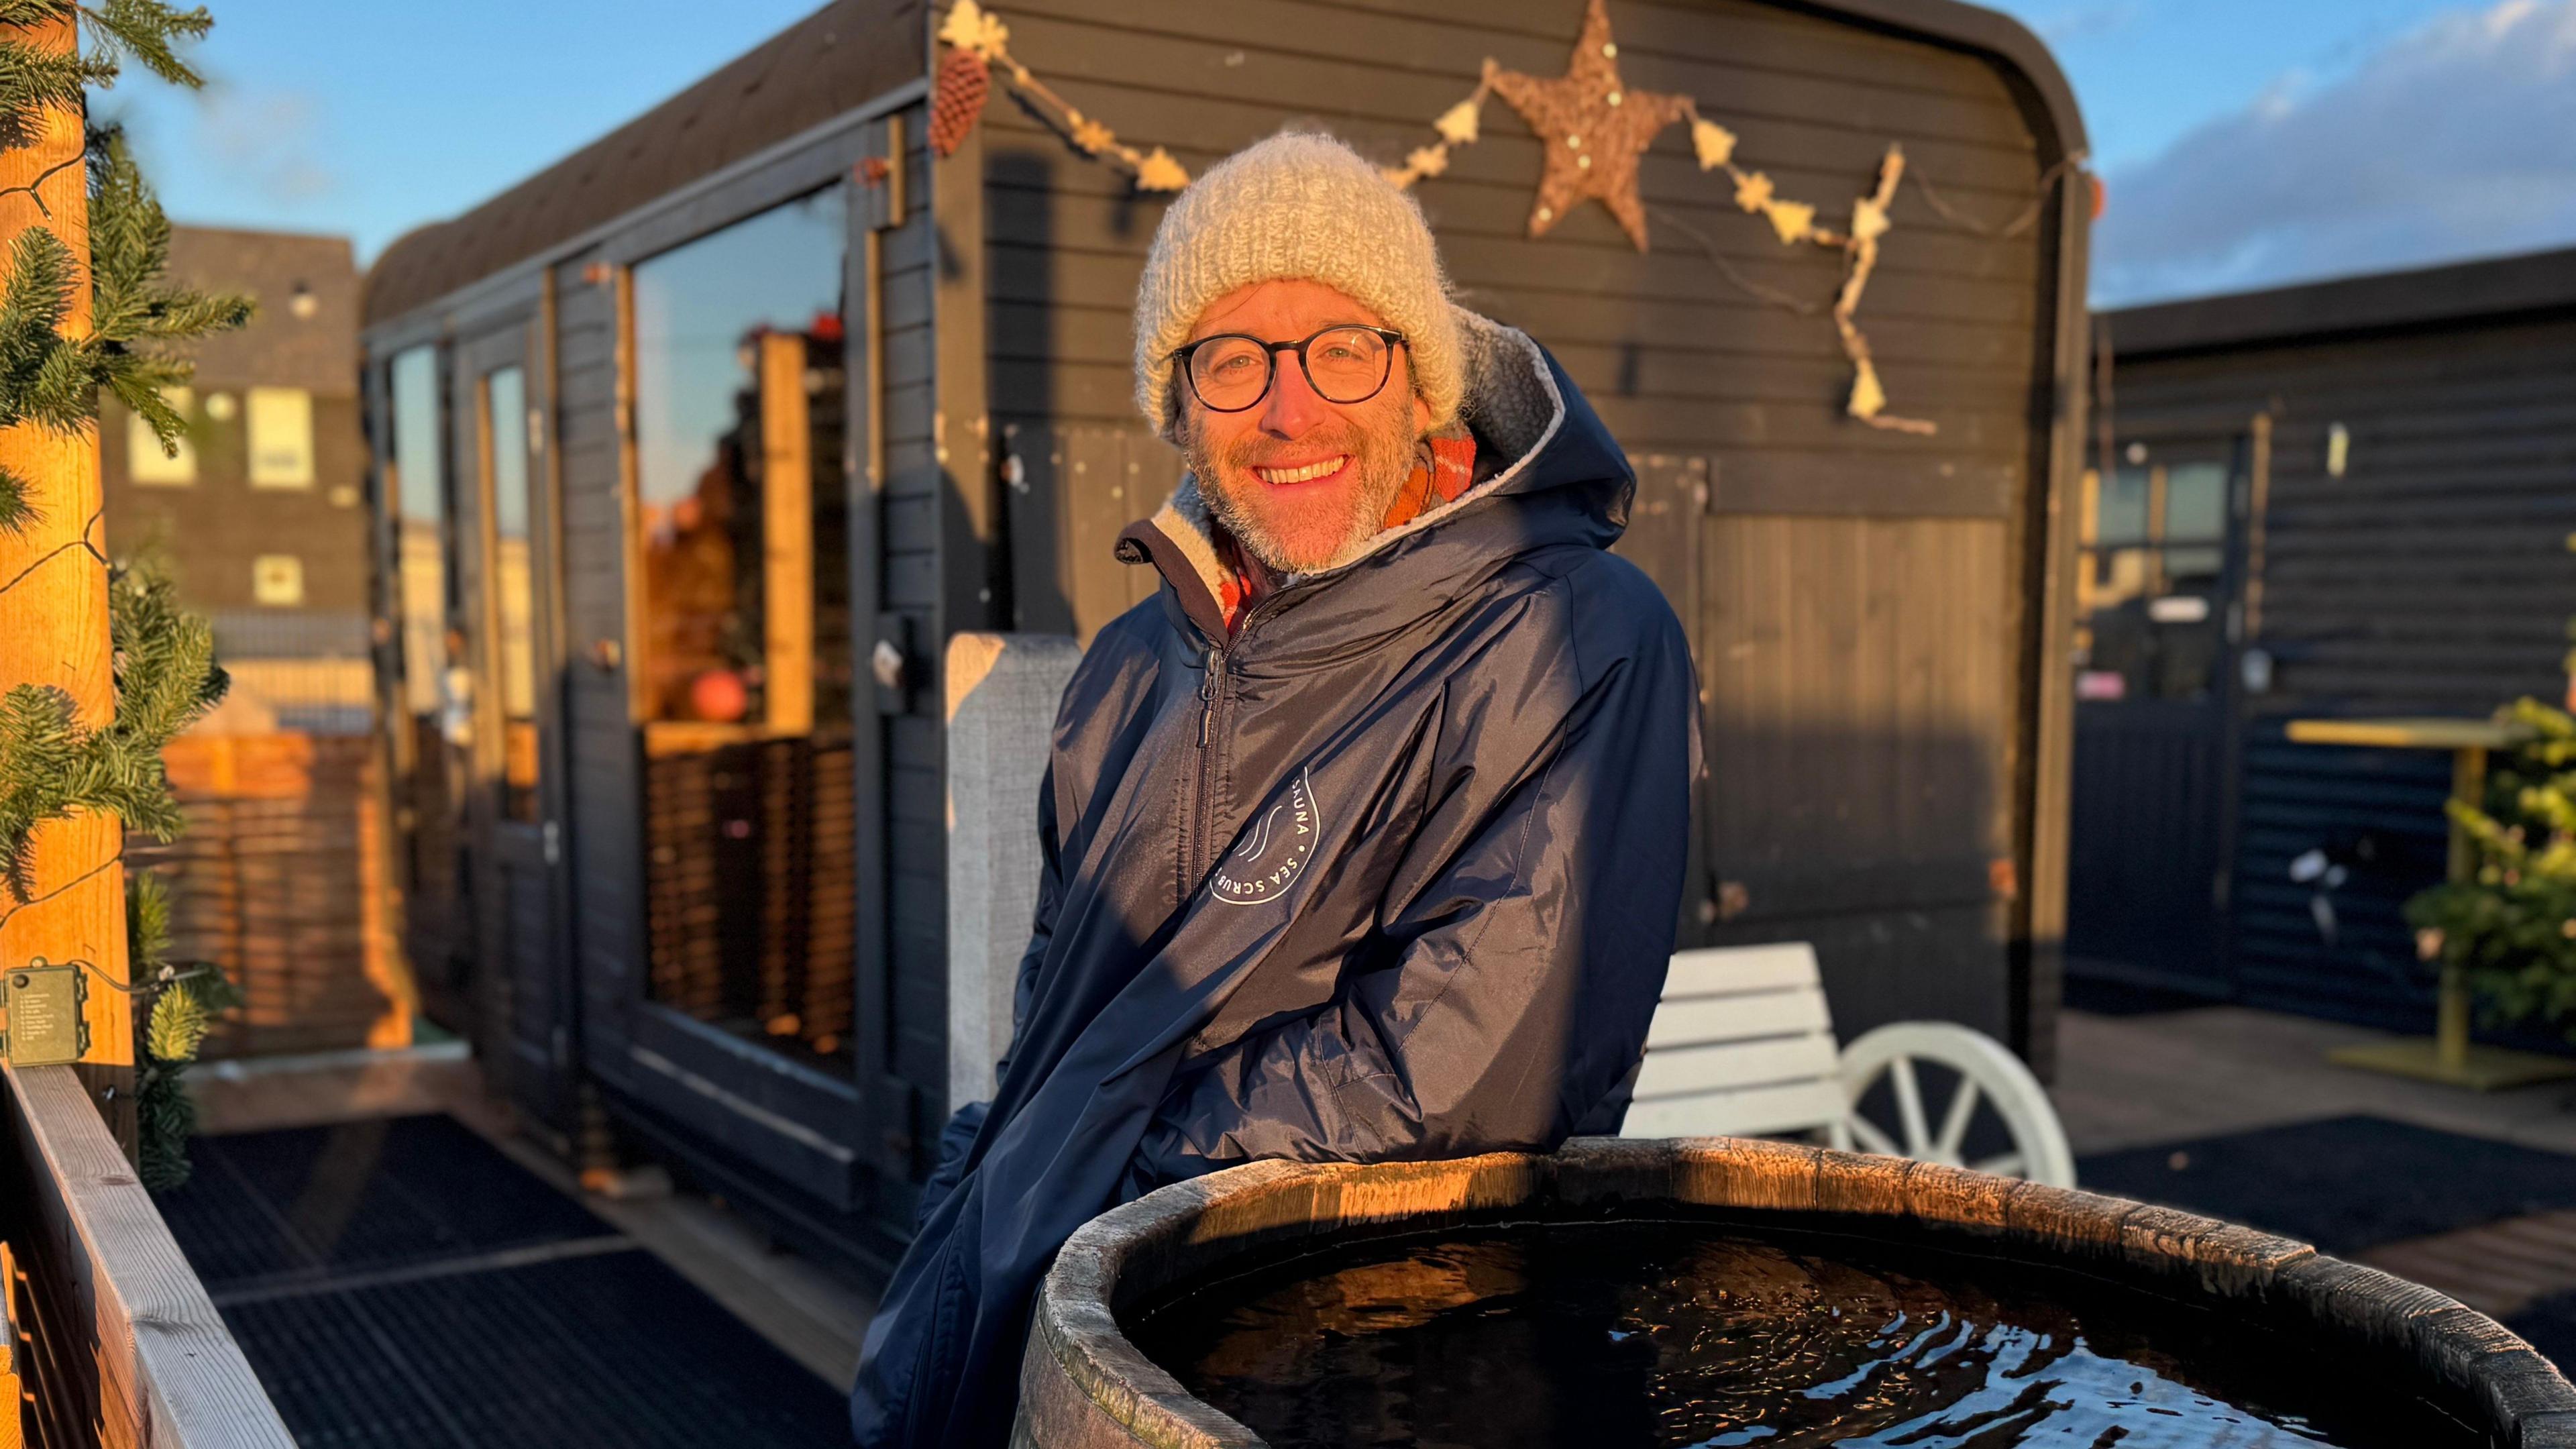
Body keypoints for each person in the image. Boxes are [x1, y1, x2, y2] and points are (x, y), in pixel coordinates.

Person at [849, 129, 1698, 1448]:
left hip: (1314, 1364)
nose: (1289, 409)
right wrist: (978, 1176)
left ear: (1423, 377)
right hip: (1019, 1323)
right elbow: (1055, 999)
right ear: (1176, 405)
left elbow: (1463, 1086)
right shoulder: (1138, 663)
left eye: (1342, 347)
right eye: (1230, 360)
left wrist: (1077, 1196)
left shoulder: (1573, 636)